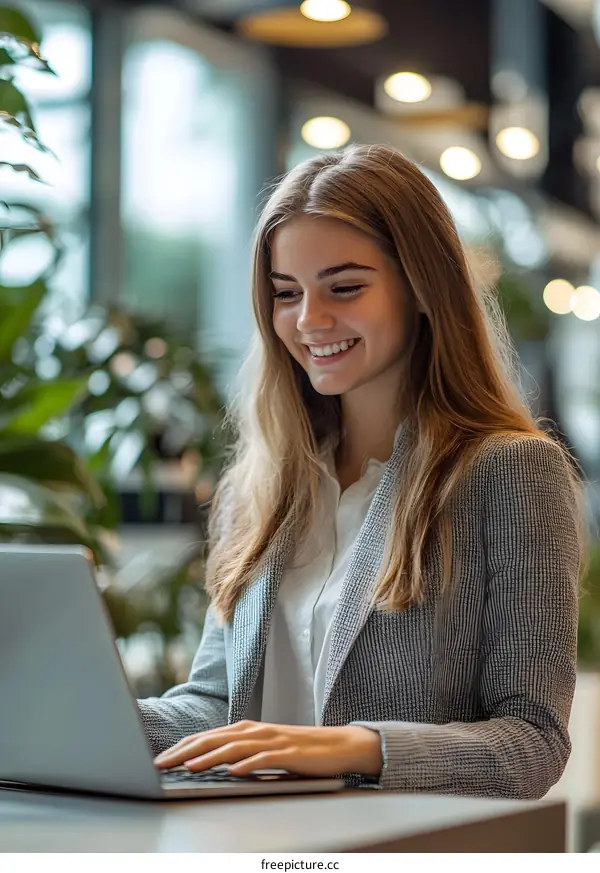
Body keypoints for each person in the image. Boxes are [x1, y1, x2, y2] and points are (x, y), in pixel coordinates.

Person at [138, 143, 586, 799]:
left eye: (345, 287)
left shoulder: (510, 473)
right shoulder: (263, 487)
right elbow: (214, 707)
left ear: (423, 287)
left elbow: (531, 743)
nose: (310, 320)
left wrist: (355, 746)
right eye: (286, 293)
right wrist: (76, 713)